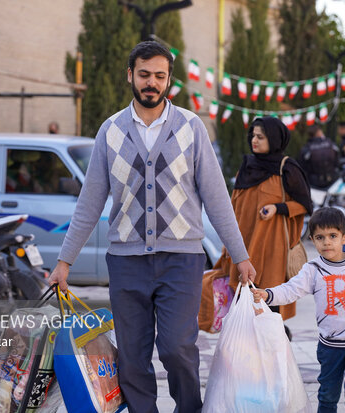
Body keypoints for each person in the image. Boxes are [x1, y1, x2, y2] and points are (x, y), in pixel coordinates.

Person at [48, 41, 255, 413]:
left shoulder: (191, 128)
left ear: (169, 81)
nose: (151, 83)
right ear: (130, 75)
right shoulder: (110, 131)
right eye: (144, 75)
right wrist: (65, 261)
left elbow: (218, 198)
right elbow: (90, 202)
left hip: (182, 260)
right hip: (126, 263)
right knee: (131, 357)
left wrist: (240, 257)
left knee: (178, 348)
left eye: (160, 76)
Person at [252, 207, 345, 413]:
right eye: (320, 237)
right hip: (329, 345)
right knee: (327, 395)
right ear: (312, 239)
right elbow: (292, 289)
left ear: (344, 237)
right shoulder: (313, 269)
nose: (326, 242)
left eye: (332, 236)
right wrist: (268, 294)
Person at [199, 117, 313, 339]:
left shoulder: (286, 168)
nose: (254, 140)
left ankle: (275, 350)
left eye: (261, 136)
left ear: (274, 139)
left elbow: (305, 205)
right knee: (241, 302)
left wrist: (278, 207)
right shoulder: (247, 166)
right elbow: (234, 205)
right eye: (253, 135)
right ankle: (248, 359)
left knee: (268, 301)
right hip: (242, 246)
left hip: (272, 249)